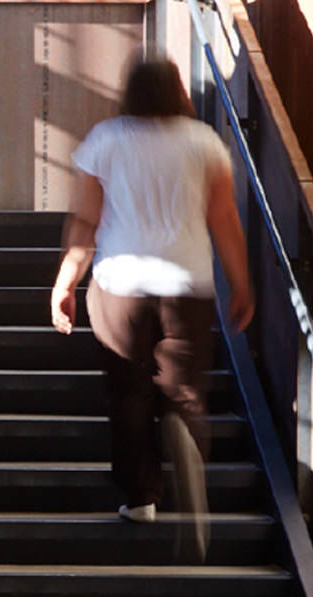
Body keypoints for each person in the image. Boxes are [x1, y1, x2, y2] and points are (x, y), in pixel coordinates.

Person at [48, 56, 252, 542]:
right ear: (179, 90)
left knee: (128, 392)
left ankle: (141, 498)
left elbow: (85, 224)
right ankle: (182, 431)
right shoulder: (204, 142)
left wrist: (65, 283)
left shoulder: (106, 140)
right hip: (188, 286)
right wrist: (242, 283)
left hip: (121, 286)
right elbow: (224, 218)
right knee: (183, 390)